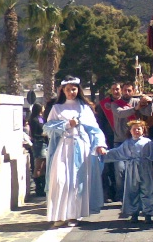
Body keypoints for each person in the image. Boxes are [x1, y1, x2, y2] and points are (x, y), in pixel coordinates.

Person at [43, 75, 107, 228]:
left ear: (78, 90)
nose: (71, 92)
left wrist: (100, 145)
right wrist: (66, 124)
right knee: (60, 180)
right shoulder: (57, 108)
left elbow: (95, 130)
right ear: (62, 91)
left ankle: (74, 214)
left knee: (77, 182)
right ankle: (59, 215)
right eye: (68, 89)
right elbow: (47, 128)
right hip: (63, 148)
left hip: (81, 148)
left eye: (74, 89)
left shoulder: (85, 108)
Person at [103, 119, 153, 224]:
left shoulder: (147, 142)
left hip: (145, 169)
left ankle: (148, 214)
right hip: (131, 169)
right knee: (131, 191)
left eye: (139, 129)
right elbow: (117, 153)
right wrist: (104, 154)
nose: (136, 131)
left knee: (147, 190)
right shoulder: (127, 143)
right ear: (130, 131)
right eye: (134, 129)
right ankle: (134, 214)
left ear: (143, 130)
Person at [111, 82, 153, 202]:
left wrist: (149, 102)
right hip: (119, 142)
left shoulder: (136, 101)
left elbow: (148, 113)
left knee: (137, 171)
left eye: (129, 90)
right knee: (120, 171)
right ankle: (121, 195)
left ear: (133, 91)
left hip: (135, 142)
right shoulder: (115, 104)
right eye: (125, 90)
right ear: (122, 91)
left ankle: (134, 195)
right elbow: (120, 114)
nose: (127, 93)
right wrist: (135, 109)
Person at [95, 82, 122, 202]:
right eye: (113, 89)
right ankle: (109, 193)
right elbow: (99, 124)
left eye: (117, 89)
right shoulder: (103, 105)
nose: (116, 91)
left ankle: (120, 193)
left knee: (120, 168)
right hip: (108, 139)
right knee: (107, 167)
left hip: (122, 139)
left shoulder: (126, 103)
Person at [29, 103, 48, 197]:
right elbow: (34, 133)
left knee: (44, 165)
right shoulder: (34, 120)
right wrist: (42, 135)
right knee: (39, 166)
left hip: (44, 143)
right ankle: (38, 187)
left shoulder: (41, 118)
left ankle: (43, 186)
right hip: (39, 143)